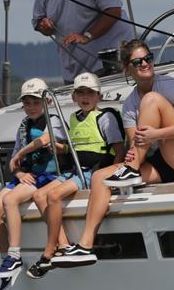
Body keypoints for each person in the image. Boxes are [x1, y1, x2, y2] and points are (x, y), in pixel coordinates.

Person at [51, 40, 174, 267]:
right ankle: (85, 246)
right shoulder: (129, 104)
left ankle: (131, 170)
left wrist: (156, 135)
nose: (145, 64)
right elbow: (135, 142)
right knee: (101, 178)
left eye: (148, 58)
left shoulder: (169, 86)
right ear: (127, 68)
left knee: (152, 100)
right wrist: (133, 156)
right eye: (138, 62)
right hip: (160, 159)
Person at [26, 72, 126, 279]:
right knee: (38, 196)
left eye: (90, 92)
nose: (85, 96)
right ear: (73, 97)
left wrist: (116, 176)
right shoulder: (73, 118)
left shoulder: (105, 117)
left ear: (98, 96)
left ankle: (49, 251)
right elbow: (71, 149)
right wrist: (55, 147)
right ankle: (63, 245)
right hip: (77, 171)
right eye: (80, 92)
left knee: (53, 196)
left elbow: (118, 148)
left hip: (93, 171)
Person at [0, 78, 70, 290]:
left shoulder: (54, 120)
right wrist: (20, 172)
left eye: (36, 102)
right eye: (27, 103)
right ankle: (8, 260)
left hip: (46, 176)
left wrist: (23, 155)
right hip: (28, 176)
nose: (31, 107)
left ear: (48, 102)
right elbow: (14, 161)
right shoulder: (24, 126)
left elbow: (44, 140)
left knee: (9, 200)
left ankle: (14, 254)